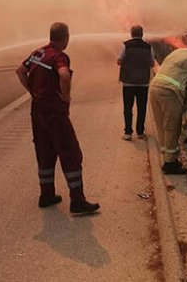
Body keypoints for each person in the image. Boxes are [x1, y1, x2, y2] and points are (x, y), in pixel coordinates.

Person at [16, 22, 100, 214]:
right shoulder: (59, 56)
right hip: (55, 113)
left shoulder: (38, 52)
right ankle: (77, 201)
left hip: (37, 112)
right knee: (71, 153)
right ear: (65, 37)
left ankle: (46, 195)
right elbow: (64, 75)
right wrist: (66, 96)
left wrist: (31, 91)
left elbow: (19, 71)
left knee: (45, 153)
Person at [148, 40, 187, 174]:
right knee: (172, 127)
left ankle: (167, 157)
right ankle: (170, 164)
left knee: (161, 126)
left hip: (154, 87)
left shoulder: (179, 52)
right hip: (170, 92)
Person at [118, 25, 156, 141]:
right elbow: (152, 63)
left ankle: (128, 132)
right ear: (142, 34)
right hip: (143, 83)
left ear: (131, 33)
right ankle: (140, 132)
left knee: (128, 108)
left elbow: (119, 61)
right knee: (142, 108)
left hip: (128, 83)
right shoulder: (149, 47)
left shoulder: (126, 45)